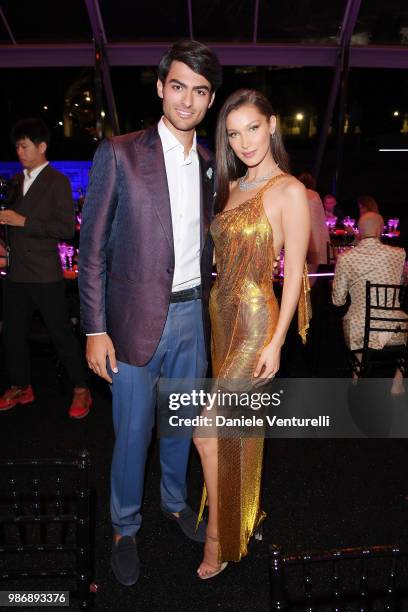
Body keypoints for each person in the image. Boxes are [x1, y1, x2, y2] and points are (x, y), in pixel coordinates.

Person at [78, 40, 222, 586]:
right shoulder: (118, 153)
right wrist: (95, 329)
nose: (188, 100)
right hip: (132, 321)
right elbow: (90, 250)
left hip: (191, 316)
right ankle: (123, 524)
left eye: (200, 91)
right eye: (179, 86)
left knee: (180, 426)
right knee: (133, 431)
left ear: (210, 101)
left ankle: (172, 501)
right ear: (161, 87)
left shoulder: (211, 164)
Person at [193, 89, 311, 578]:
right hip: (221, 316)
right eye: (234, 132)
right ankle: (242, 513)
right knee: (234, 430)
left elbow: (296, 273)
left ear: (273, 125)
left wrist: (277, 341)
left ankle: (220, 537)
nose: (244, 141)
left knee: (206, 432)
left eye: (252, 128)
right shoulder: (231, 186)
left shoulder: (288, 191)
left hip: (257, 319)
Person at [0, 118, 91, 418]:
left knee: (60, 333)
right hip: (16, 272)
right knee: (12, 334)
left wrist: (23, 221)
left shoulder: (57, 181)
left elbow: (66, 229)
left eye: (24, 145)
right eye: (17, 146)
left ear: (41, 147)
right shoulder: (16, 180)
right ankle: (21, 385)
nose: (19, 151)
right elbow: (9, 222)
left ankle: (81, 389)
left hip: (44, 274)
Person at [332, 212, 408, 395]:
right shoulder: (398, 254)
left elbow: (337, 301)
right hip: (394, 329)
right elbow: (403, 282)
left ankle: (357, 373)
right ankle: (397, 381)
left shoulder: (346, 258)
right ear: (381, 229)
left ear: (358, 231)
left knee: (356, 317)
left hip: (359, 330)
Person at [298, 172, 329, 268]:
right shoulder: (315, 195)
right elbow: (321, 217)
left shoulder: (297, 194)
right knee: (313, 265)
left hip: (300, 232)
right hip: (315, 235)